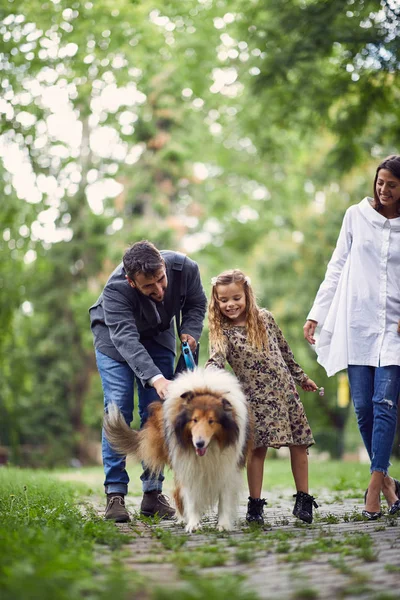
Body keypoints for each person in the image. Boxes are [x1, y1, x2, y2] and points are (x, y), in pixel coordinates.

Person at [304, 155, 400, 520]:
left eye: (392, 184)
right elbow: (337, 266)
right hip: (358, 324)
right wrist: (317, 313)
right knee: (362, 407)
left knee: (384, 404)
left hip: (394, 329)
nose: (384, 189)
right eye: (380, 182)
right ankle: (390, 483)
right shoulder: (356, 216)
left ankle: (374, 487)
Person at [89, 240, 207, 522]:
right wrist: (155, 378)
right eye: (148, 287)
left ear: (164, 266)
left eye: (161, 279)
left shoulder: (185, 268)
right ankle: (115, 494)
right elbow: (126, 339)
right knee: (119, 405)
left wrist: (190, 331)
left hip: (158, 336)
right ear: (131, 282)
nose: (159, 289)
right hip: (115, 341)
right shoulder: (116, 290)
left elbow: (196, 303)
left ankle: (152, 495)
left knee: (156, 410)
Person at [205, 269, 319, 525]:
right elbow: (216, 361)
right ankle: (255, 506)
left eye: (236, 298)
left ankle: (303, 499)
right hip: (254, 400)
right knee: (257, 450)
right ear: (216, 302)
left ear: (246, 294)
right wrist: (208, 380)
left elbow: (286, 353)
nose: (230, 304)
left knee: (299, 445)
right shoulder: (222, 332)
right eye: (223, 300)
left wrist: (302, 378)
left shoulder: (265, 319)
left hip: (285, 393)